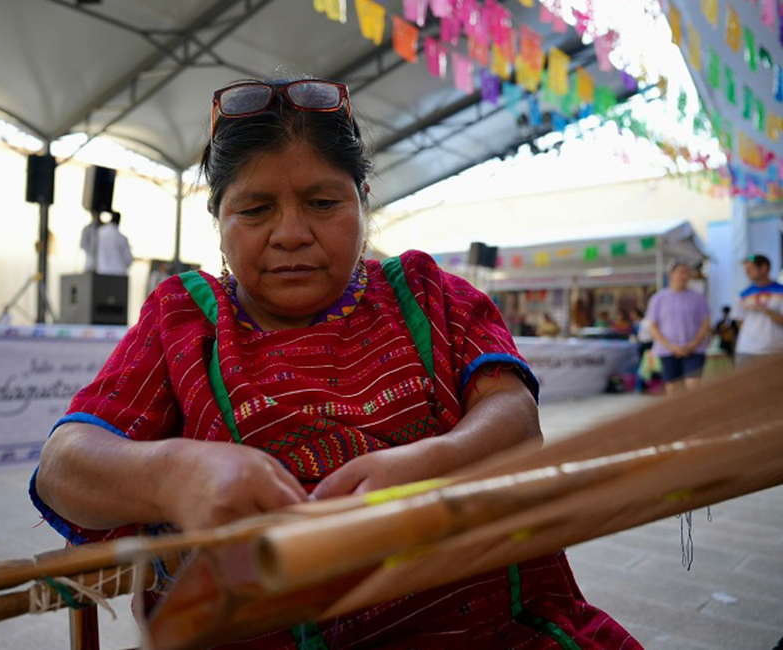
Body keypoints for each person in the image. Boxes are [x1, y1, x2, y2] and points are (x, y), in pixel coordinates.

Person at [32, 77, 642, 649]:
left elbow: (513, 414)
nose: (291, 233)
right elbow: (65, 467)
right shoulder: (183, 320)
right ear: (218, 222)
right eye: (254, 209)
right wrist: (174, 475)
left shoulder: (428, 294)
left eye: (323, 203)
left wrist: (436, 461)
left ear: (364, 201)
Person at [644, 261, 710, 395]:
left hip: (694, 349)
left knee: (693, 384)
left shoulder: (698, 298)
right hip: (668, 350)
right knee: (673, 387)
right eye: (681, 272)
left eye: (687, 273)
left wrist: (692, 345)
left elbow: (705, 323)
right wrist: (671, 346)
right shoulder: (659, 298)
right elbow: (652, 325)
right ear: (671, 275)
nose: (684, 276)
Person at [733, 254, 783, 366]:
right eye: (745, 270)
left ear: (764, 268)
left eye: (750, 269)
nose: (747, 272)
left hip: (775, 350)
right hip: (746, 349)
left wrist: (765, 310)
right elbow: (739, 320)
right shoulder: (743, 294)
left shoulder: (780, 291)